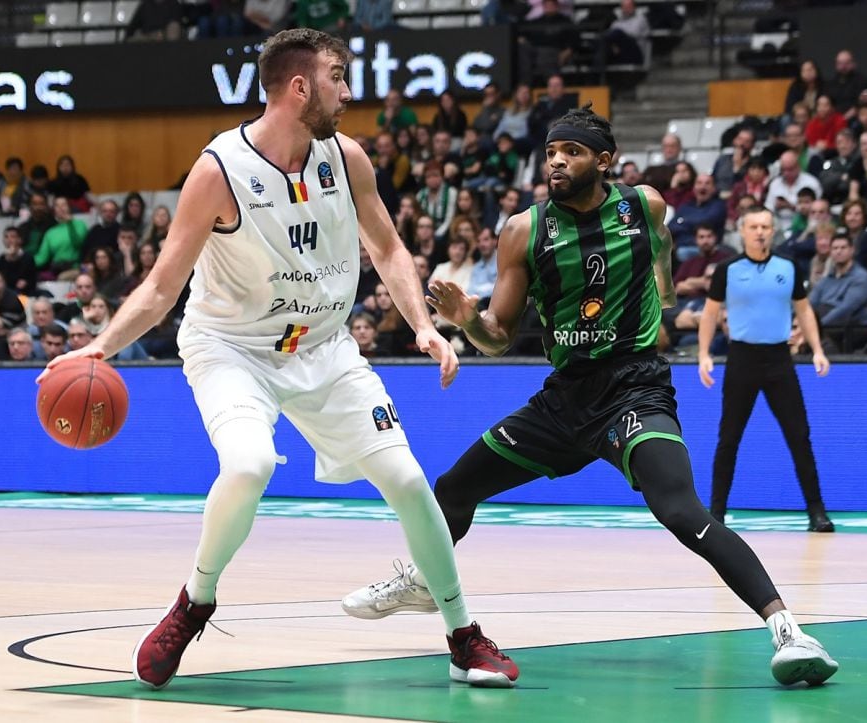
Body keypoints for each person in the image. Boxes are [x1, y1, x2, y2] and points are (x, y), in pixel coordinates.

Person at [38, 29, 517, 691]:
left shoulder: (346, 159)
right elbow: (159, 286)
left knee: (408, 479)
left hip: (324, 347)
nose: (347, 91)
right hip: (233, 349)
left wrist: (423, 326)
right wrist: (100, 346)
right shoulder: (218, 171)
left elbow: (388, 249)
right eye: (337, 77)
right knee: (249, 463)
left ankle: (463, 634)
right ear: (299, 88)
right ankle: (195, 601)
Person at [341, 107, 838, 688]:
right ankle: (426, 579)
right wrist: (466, 319)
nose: (556, 160)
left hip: (635, 389)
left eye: (571, 152)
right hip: (565, 399)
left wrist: (665, 290)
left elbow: (662, 258)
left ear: (603, 162)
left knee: (680, 510)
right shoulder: (524, 230)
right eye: (551, 151)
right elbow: (497, 339)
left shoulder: (644, 205)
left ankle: (789, 631)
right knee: (452, 488)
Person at [697, 206, 835, 534]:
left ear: (773, 231)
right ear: (742, 231)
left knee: (799, 436)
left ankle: (817, 512)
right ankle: (716, 513)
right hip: (741, 358)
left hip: (779, 360)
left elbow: (804, 311)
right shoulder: (727, 270)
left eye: (766, 226)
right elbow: (709, 313)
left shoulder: (788, 266)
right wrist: (703, 353)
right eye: (754, 226)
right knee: (728, 437)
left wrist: (817, 350)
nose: (760, 232)